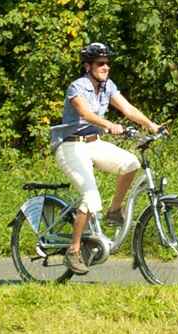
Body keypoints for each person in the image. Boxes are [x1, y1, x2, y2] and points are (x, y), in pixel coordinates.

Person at [49, 42, 164, 276]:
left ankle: (114, 211)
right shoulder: (77, 87)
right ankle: (74, 250)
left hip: (93, 143)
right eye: (101, 63)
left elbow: (128, 109)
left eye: (107, 63)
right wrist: (108, 124)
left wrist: (151, 125)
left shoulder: (108, 86)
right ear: (88, 66)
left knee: (131, 163)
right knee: (91, 198)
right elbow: (85, 113)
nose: (106, 67)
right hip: (71, 146)